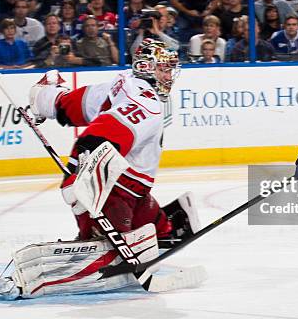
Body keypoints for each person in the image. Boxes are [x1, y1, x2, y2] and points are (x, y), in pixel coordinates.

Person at [27, 38, 199, 259]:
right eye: (164, 69)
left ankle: (159, 229)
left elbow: (78, 103)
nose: (169, 77)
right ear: (146, 67)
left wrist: (48, 100)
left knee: (152, 221)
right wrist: (78, 177)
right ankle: (95, 243)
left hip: (135, 191)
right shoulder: (146, 103)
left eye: (170, 70)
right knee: (107, 238)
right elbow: (101, 136)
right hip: (115, 191)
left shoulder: (123, 83)